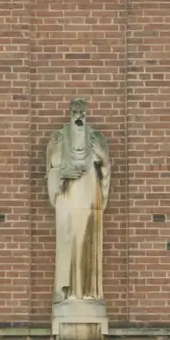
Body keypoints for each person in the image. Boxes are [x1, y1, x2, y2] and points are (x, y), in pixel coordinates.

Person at [45, 98, 110, 303]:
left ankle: (86, 291)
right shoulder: (58, 138)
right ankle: (65, 290)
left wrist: (103, 158)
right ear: (70, 113)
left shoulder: (97, 139)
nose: (79, 117)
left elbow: (105, 169)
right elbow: (52, 170)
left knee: (85, 239)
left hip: (90, 196)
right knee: (67, 239)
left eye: (82, 113)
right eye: (75, 113)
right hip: (68, 197)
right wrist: (64, 172)